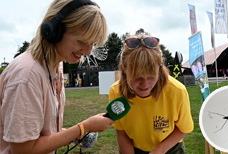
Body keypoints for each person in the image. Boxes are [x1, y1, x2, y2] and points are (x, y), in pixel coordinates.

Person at [0, 0, 114, 153]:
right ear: (55, 31)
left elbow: (40, 132)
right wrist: (83, 128)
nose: (88, 51)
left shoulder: (55, 64)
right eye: (82, 41)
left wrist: (69, 134)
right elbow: (23, 150)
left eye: (92, 43)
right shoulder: (26, 76)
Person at [109, 34, 194, 154]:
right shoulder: (116, 91)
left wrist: (158, 150)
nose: (145, 85)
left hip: (170, 149)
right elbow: (121, 132)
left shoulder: (177, 91)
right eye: (137, 77)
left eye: (151, 76)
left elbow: (183, 129)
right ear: (124, 69)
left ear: (159, 68)